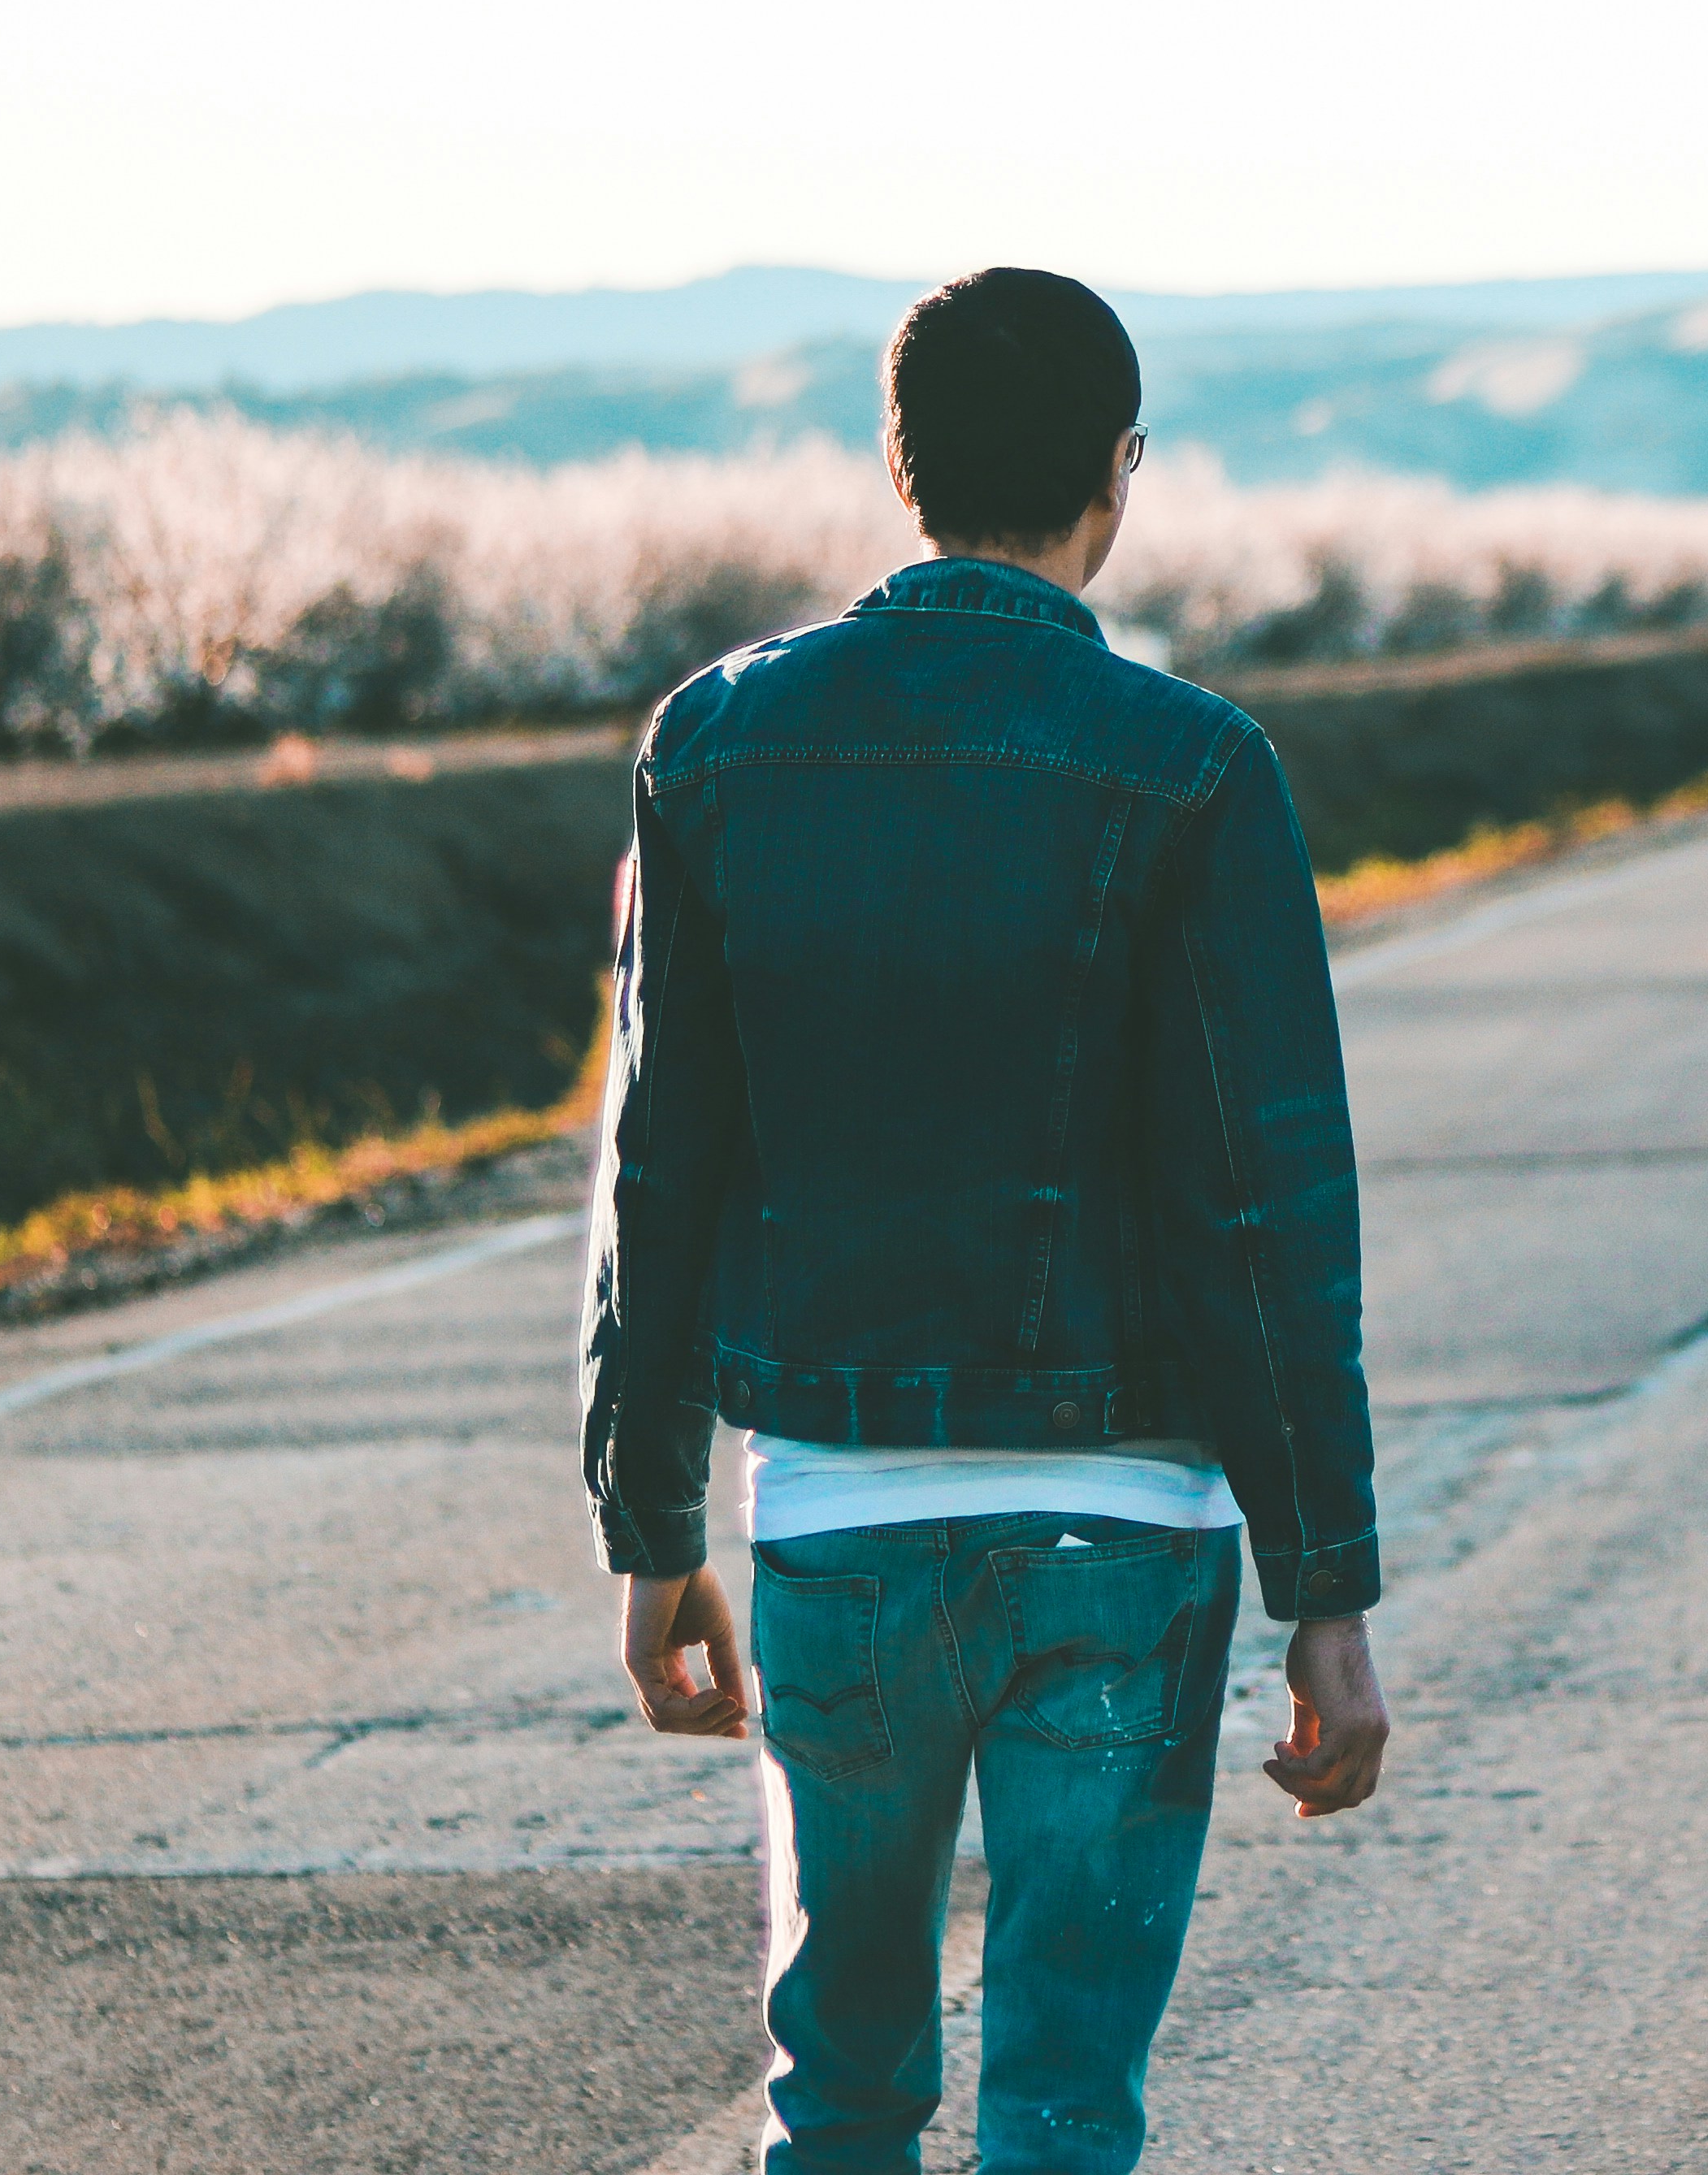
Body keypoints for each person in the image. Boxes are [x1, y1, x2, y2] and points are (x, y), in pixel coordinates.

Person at [581, 265, 1387, 2175]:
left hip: (841, 1521)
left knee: (841, 2094)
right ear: (1120, 476)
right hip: (1127, 1526)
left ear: (901, 466)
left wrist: (648, 1521)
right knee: (1056, 2099)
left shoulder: (715, 746)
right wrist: (1325, 1585)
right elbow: (1267, 1207)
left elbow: (660, 1166)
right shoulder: (1197, 769)